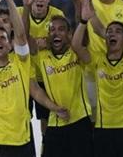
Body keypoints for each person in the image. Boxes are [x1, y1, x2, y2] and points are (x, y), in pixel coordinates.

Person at [0, 0, 68, 157]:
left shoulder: (21, 63)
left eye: (3, 38)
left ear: (10, 46)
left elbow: (22, 36)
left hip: (21, 147)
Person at [72, 0, 123, 157]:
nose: (111, 34)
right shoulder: (97, 60)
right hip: (102, 128)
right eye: (109, 31)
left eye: (117, 31)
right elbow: (76, 46)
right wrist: (84, 21)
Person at [31, 14, 93, 157]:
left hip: (80, 121)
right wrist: (27, 8)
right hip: (55, 122)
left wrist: (80, 7)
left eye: (61, 29)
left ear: (69, 34)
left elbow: (82, 38)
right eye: (52, 30)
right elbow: (25, 40)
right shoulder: (42, 56)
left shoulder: (76, 53)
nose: (56, 33)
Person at [20, 0, 65, 156]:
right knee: (22, 118)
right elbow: (21, 39)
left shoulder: (57, 14)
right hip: (24, 76)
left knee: (47, 122)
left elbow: (61, 41)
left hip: (48, 76)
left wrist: (44, 42)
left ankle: (46, 151)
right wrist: (43, 42)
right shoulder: (19, 12)